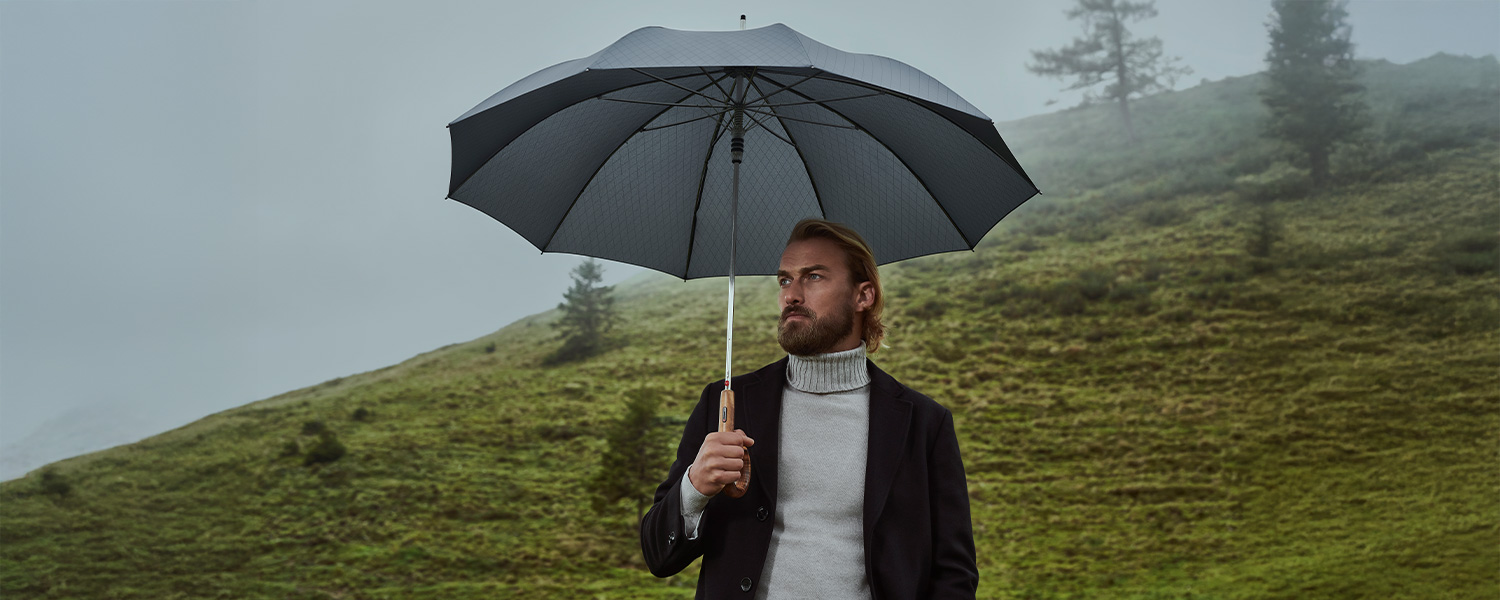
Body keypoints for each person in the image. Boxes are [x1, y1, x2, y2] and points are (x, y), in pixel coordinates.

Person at [640, 219, 978, 599]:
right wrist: (694, 487)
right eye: (784, 280)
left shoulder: (924, 423)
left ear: (863, 296)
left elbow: (954, 572)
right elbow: (658, 555)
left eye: (814, 277)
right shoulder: (726, 403)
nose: (792, 295)